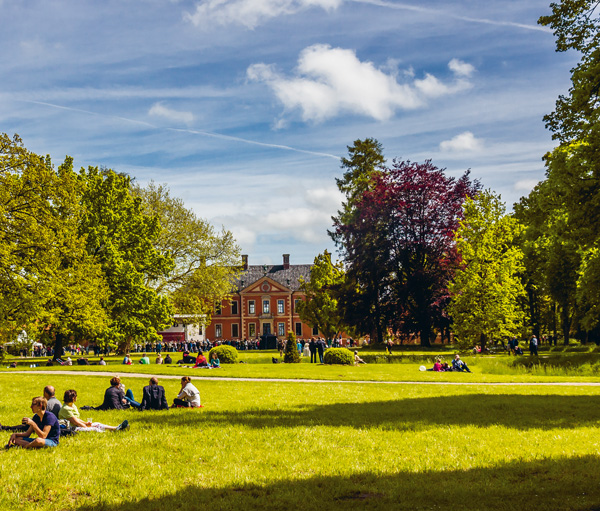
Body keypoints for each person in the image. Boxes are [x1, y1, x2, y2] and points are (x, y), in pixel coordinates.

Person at [59, 389, 128, 432]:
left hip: (77, 425)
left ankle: (116, 428)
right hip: (72, 428)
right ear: (73, 398)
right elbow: (76, 422)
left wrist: (86, 423)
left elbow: (77, 419)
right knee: (94, 429)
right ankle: (109, 432)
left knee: (97, 424)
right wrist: (86, 426)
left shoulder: (72, 405)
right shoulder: (66, 409)